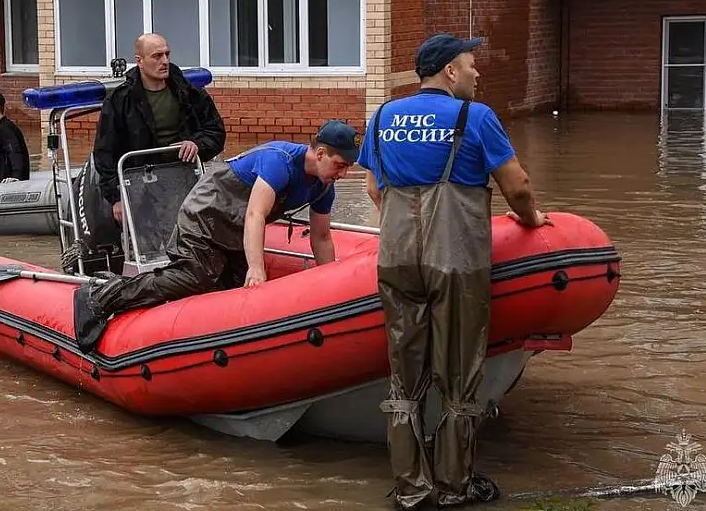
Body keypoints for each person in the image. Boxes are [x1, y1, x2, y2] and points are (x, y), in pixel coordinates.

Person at [357, 33, 549, 510]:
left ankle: (409, 486)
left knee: (404, 374)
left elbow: (374, 189)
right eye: (471, 65)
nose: (477, 73)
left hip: (397, 258)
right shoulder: (477, 118)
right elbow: (517, 185)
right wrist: (532, 220)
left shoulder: (382, 117)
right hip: (456, 259)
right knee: (459, 372)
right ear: (449, 72)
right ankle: (451, 485)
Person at [72, 120, 359, 353]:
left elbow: (321, 238)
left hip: (234, 232)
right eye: (340, 165)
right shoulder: (279, 161)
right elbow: (255, 215)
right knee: (194, 276)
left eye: (348, 168)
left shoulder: (323, 186)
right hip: (206, 215)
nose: (343, 174)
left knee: (234, 294)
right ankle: (102, 295)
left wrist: (330, 284)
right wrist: (257, 268)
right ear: (320, 153)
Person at [93, 33, 226, 225]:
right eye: (157, 56)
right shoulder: (120, 101)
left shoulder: (188, 92)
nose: (164, 61)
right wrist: (116, 198)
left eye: (167, 54)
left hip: (183, 179)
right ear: (139, 61)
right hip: (140, 185)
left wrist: (197, 144)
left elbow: (216, 131)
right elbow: (105, 153)